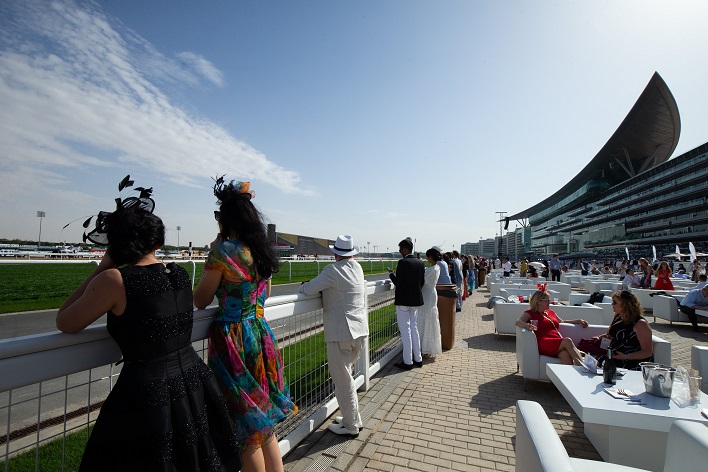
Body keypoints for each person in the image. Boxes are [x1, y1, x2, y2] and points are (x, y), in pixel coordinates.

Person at [56, 178, 241, 471]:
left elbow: (65, 321)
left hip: (148, 391)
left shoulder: (114, 280)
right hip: (193, 380)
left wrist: (105, 266)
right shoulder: (179, 274)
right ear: (157, 241)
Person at [194, 178, 297, 472]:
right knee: (263, 423)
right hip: (260, 334)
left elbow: (200, 300)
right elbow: (267, 293)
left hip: (233, 339)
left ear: (225, 219)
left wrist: (213, 253)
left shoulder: (223, 252)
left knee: (246, 430)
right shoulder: (261, 250)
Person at [298, 235, 367, 437]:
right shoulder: (358, 268)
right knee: (347, 378)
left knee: (343, 380)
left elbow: (309, 289)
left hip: (340, 333)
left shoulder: (333, 270)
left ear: (336, 253)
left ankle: (351, 426)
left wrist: (304, 285)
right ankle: (353, 418)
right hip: (359, 331)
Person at [514, 288, 588, 366]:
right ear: (538, 302)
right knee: (567, 341)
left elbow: (562, 321)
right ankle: (583, 367)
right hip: (543, 342)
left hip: (556, 341)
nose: (549, 302)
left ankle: (569, 377)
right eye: (546, 300)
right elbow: (518, 322)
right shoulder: (530, 313)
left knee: (565, 354)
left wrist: (578, 321)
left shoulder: (550, 312)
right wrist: (526, 325)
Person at [388, 237, 425, 370]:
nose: (400, 252)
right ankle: (418, 358)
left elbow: (399, 283)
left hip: (404, 301)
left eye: (400, 249)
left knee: (406, 331)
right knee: (414, 329)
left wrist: (391, 275)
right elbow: (421, 283)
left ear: (405, 249)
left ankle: (408, 361)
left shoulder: (402, 263)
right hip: (415, 300)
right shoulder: (420, 263)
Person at [595, 290, 654, 369]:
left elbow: (647, 352)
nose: (612, 304)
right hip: (614, 357)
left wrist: (626, 356)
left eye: (615, 303)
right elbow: (613, 334)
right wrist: (599, 337)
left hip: (631, 362)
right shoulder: (619, 317)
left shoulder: (640, 324)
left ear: (625, 305)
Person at [419, 248, 443, 359]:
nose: (427, 259)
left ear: (431, 257)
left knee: (425, 318)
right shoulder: (436, 268)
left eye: (428, 257)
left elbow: (422, 280)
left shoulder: (432, 269)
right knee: (429, 318)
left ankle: (425, 347)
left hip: (428, 294)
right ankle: (427, 347)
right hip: (431, 293)